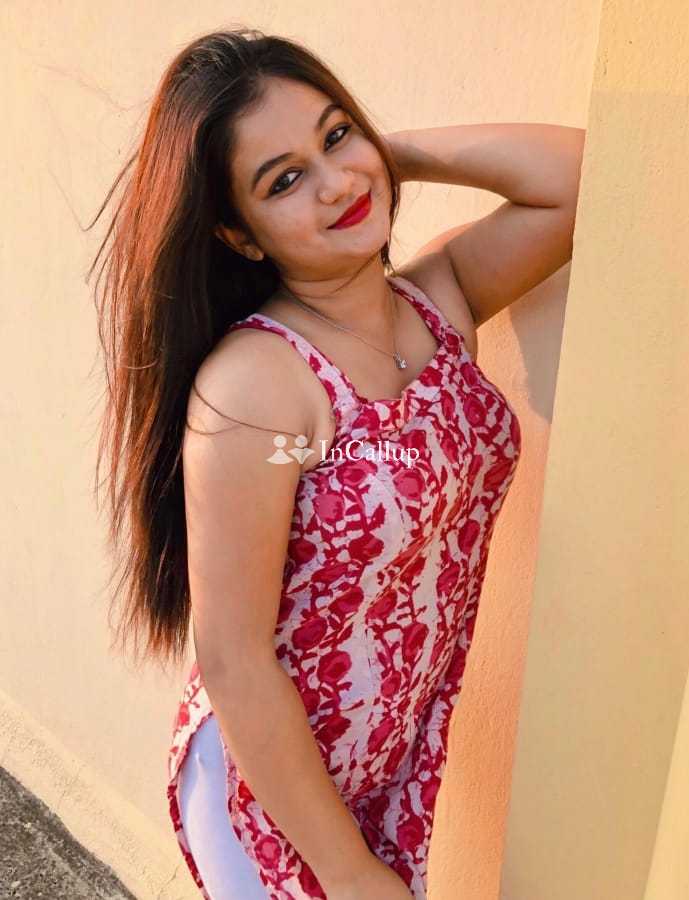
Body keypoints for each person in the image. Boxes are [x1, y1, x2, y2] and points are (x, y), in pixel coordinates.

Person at [89, 24, 582, 900]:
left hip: (387, 762)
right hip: (268, 792)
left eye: (335, 133)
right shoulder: (257, 385)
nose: (335, 185)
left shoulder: (438, 302)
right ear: (240, 235)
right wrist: (350, 874)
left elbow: (579, 179)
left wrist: (380, 155)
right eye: (282, 181)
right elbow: (234, 660)